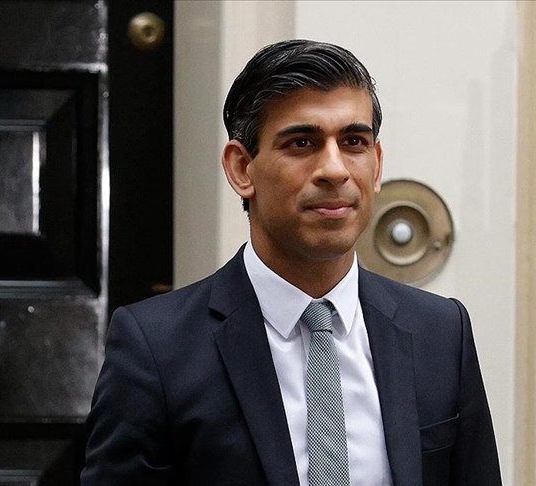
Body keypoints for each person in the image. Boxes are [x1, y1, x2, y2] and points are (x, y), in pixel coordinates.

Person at [81, 39, 502, 486]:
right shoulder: (156, 347)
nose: (335, 169)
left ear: (376, 165)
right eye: (302, 142)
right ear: (241, 168)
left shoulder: (441, 332)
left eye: (354, 142)